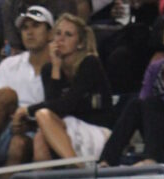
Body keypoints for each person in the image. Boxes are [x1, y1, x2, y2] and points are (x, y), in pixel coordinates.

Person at [99, 10, 164, 166]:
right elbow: (144, 100)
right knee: (135, 103)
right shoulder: (155, 68)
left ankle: (151, 159)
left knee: (150, 103)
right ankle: (106, 160)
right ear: (163, 37)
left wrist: (161, 104)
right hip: (159, 128)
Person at [0, 5, 53, 166]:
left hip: (35, 129)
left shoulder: (58, 67)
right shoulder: (9, 64)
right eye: (25, 28)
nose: (29, 32)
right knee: (5, 95)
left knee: (18, 143)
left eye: (36, 26)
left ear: (50, 33)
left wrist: (27, 122)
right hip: (2, 126)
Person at [27, 13, 113, 163]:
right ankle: (61, 174)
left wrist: (28, 110)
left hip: (96, 131)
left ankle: (76, 167)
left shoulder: (90, 63)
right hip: (67, 128)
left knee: (42, 115)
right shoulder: (49, 69)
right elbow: (53, 106)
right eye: (58, 33)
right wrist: (55, 67)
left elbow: (66, 105)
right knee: (40, 137)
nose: (60, 39)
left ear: (80, 43)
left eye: (68, 35)